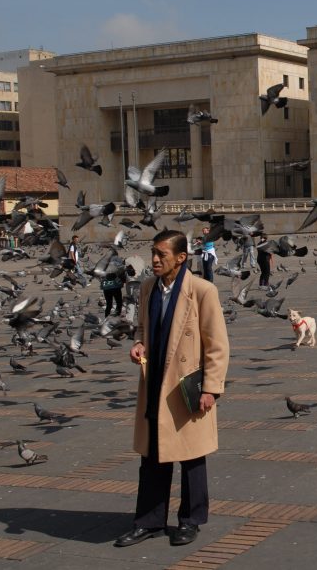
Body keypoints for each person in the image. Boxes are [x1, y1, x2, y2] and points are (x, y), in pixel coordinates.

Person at [116, 230, 230, 548]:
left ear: (181, 258)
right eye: (153, 252)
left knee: (191, 456)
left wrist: (211, 389)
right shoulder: (149, 287)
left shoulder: (202, 291)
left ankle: (190, 520)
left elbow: (218, 346)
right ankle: (149, 521)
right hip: (154, 381)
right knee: (153, 454)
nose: (154, 259)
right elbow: (142, 325)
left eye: (161, 254)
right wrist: (139, 342)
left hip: (186, 384)